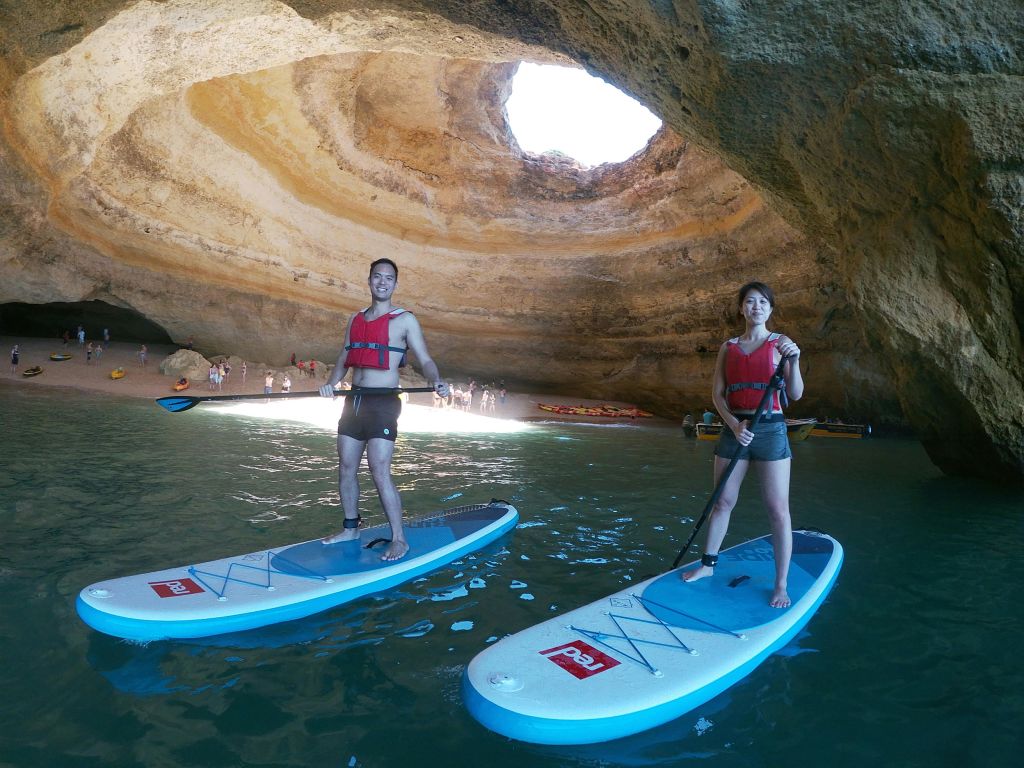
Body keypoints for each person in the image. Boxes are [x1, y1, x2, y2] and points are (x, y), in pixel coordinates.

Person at [319, 257, 450, 561]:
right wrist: (330, 383)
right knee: (347, 467)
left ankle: (399, 539)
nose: (382, 282)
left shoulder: (405, 320)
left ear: (395, 283)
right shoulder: (356, 320)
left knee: (380, 469)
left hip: (384, 402)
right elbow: (343, 358)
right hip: (355, 400)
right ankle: (351, 527)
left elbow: (425, 359)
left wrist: (436, 379)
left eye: (388, 278)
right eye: (377, 277)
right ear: (369, 280)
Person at [682, 281, 804, 609]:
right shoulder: (729, 347)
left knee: (778, 509)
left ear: (771, 308)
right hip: (735, 429)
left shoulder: (781, 343)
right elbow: (717, 395)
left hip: (771, 430)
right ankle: (707, 566)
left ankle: (780, 584)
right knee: (722, 502)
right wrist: (734, 425)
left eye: (763, 302)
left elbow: (795, 394)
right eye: (750, 302)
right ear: (741, 308)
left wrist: (795, 360)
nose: (756, 307)